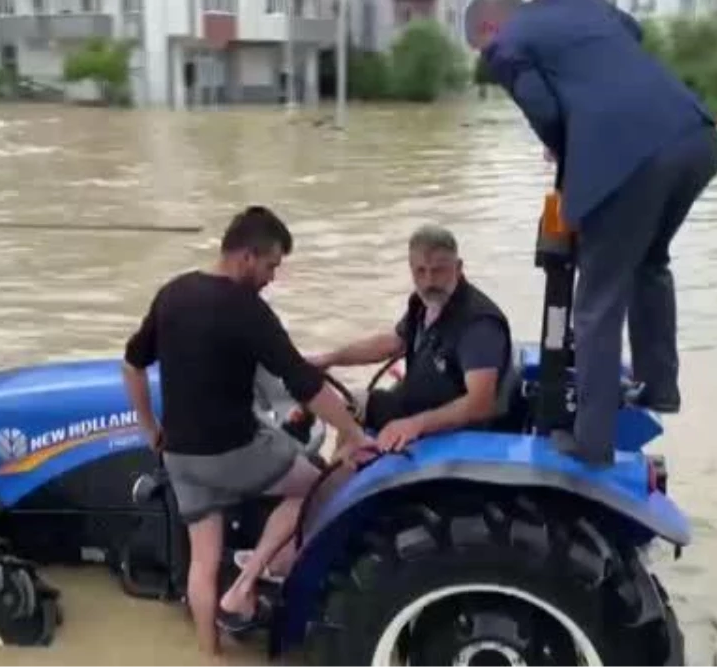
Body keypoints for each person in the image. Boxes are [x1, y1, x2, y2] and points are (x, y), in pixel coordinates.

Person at [481, 0, 717, 467]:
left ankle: (591, 443)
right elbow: (632, 32)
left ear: (490, 26)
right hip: (697, 138)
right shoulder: (584, 5)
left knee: (597, 300)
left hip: (630, 161)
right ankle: (659, 384)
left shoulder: (506, 43)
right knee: (649, 261)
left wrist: (566, 148)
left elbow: (546, 112)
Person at [121, 206, 376, 655]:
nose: (272, 277)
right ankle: (246, 583)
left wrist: (150, 429)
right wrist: (353, 433)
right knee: (316, 486)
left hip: (179, 455)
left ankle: (209, 654)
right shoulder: (247, 310)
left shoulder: (172, 294)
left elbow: (132, 364)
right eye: (272, 265)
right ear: (246, 257)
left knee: (202, 565)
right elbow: (304, 381)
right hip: (234, 453)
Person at [309, 224, 514, 451]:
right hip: (417, 404)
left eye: (438, 271)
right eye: (420, 271)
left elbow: (480, 404)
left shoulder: (478, 324)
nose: (429, 282)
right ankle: (339, 477)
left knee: (355, 416)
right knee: (349, 407)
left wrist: (415, 425)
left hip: (457, 432)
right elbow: (391, 344)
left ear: (458, 267)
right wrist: (329, 359)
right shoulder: (423, 303)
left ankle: (342, 476)